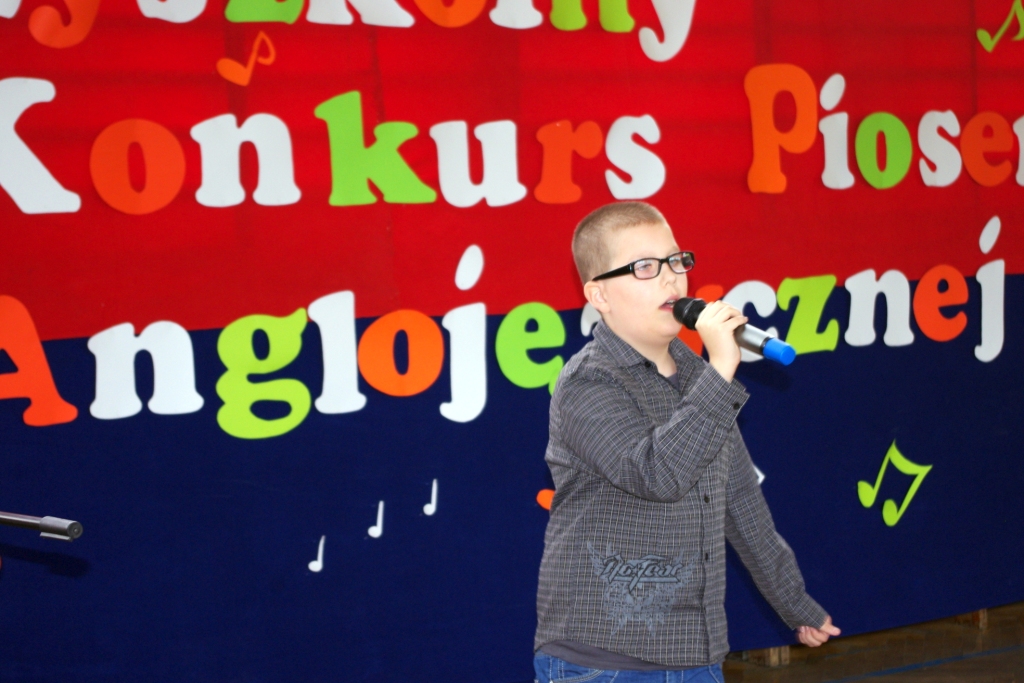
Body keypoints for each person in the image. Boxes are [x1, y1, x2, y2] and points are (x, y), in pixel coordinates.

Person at [534, 201, 839, 683]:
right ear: (599, 295)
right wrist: (721, 369)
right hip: (601, 660)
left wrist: (794, 602)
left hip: (695, 655)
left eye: (676, 261)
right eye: (644, 267)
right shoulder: (588, 383)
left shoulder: (699, 379)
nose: (670, 278)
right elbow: (657, 474)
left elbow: (741, 503)